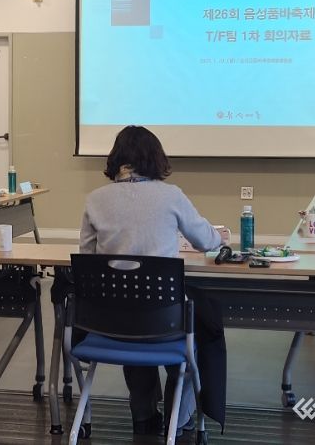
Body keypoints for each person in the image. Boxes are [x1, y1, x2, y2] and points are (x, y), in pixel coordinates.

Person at [80, 125, 223, 436]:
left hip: (109, 321)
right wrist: (219, 237)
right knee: (196, 335)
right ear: (156, 158)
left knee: (131, 315)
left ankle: (143, 415)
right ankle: (177, 419)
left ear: (115, 158)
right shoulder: (171, 195)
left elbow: (87, 260)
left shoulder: (95, 200)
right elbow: (207, 241)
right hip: (165, 320)